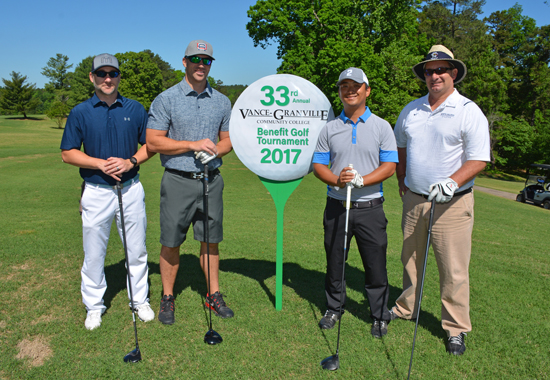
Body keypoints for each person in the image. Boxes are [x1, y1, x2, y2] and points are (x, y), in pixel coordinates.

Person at [391, 45, 490, 355]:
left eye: (441, 70)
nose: (434, 75)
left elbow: (479, 159)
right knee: (410, 260)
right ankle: (407, 308)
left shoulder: (468, 110)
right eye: (429, 71)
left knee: (453, 269)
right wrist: (402, 177)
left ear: (453, 73)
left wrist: (451, 181)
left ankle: (455, 328)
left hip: (453, 203)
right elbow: (401, 146)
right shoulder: (412, 109)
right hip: (415, 200)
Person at [60, 53, 155, 330]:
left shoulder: (136, 109)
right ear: (92, 78)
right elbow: (67, 153)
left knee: (136, 250)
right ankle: (94, 306)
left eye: (112, 73)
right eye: (101, 74)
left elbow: (150, 145)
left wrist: (131, 161)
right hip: (96, 191)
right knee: (94, 254)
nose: (108, 79)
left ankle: (139, 301)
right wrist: (99, 163)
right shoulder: (80, 112)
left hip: (130, 189)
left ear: (118, 77)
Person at [146, 40, 233, 325]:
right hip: (178, 180)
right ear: (184, 62)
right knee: (171, 241)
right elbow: (153, 141)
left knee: (211, 241)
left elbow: (227, 139)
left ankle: (213, 294)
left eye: (206, 60)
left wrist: (216, 151)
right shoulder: (166, 99)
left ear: (211, 64)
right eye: (195, 59)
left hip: (211, 180)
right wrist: (190, 145)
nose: (201, 64)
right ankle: (168, 297)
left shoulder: (221, 101)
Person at [312, 68, 398, 338]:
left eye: (356, 86)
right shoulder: (330, 128)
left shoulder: (382, 126)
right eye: (344, 86)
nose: (350, 90)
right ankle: (334, 308)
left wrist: (362, 180)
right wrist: (338, 181)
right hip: (338, 205)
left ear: (367, 90)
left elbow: (390, 166)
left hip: (370, 208)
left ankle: (379, 315)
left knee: (375, 264)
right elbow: (318, 166)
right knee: (335, 260)